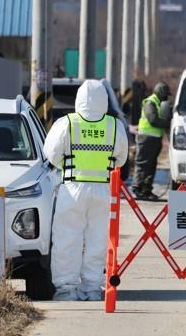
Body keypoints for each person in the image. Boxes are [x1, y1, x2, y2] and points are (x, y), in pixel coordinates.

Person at [43, 80, 128, 301]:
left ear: (79, 100)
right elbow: (122, 158)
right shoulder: (114, 126)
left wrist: (66, 166)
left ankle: (66, 289)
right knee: (98, 239)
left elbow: (51, 153)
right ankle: (92, 287)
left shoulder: (66, 123)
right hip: (103, 189)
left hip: (72, 188)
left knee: (66, 238)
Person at [132, 81, 172, 200]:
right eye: (165, 95)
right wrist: (167, 122)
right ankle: (138, 188)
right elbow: (153, 119)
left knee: (151, 165)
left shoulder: (158, 103)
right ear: (160, 93)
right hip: (146, 138)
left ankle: (146, 190)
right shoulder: (150, 102)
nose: (166, 97)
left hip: (154, 139)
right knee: (143, 164)